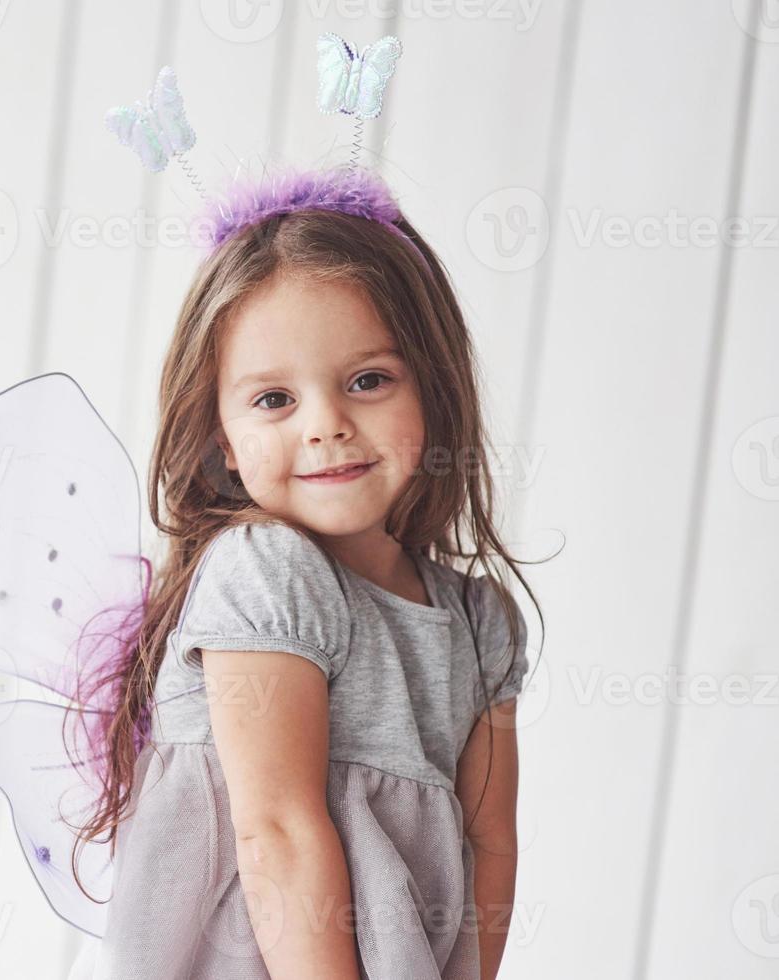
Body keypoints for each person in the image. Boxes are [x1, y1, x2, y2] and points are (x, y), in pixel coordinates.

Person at [68, 165, 544, 979]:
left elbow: (488, 842)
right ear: (218, 435)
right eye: (273, 400)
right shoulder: (268, 574)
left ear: (431, 390)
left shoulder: (478, 620)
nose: (325, 425)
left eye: (367, 381)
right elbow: (278, 831)